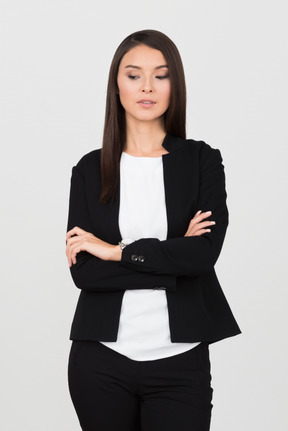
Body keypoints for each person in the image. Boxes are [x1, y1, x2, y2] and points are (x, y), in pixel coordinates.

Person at [65, 29, 241, 431]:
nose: (147, 86)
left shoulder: (201, 160)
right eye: (133, 75)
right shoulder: (90, 170)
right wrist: (172, 255)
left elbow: (203, 255)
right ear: (116, 86)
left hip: (181, 361)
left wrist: (116, 251)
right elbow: (84, 272)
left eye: (161, 75)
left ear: (174, 85)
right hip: (99, 361)